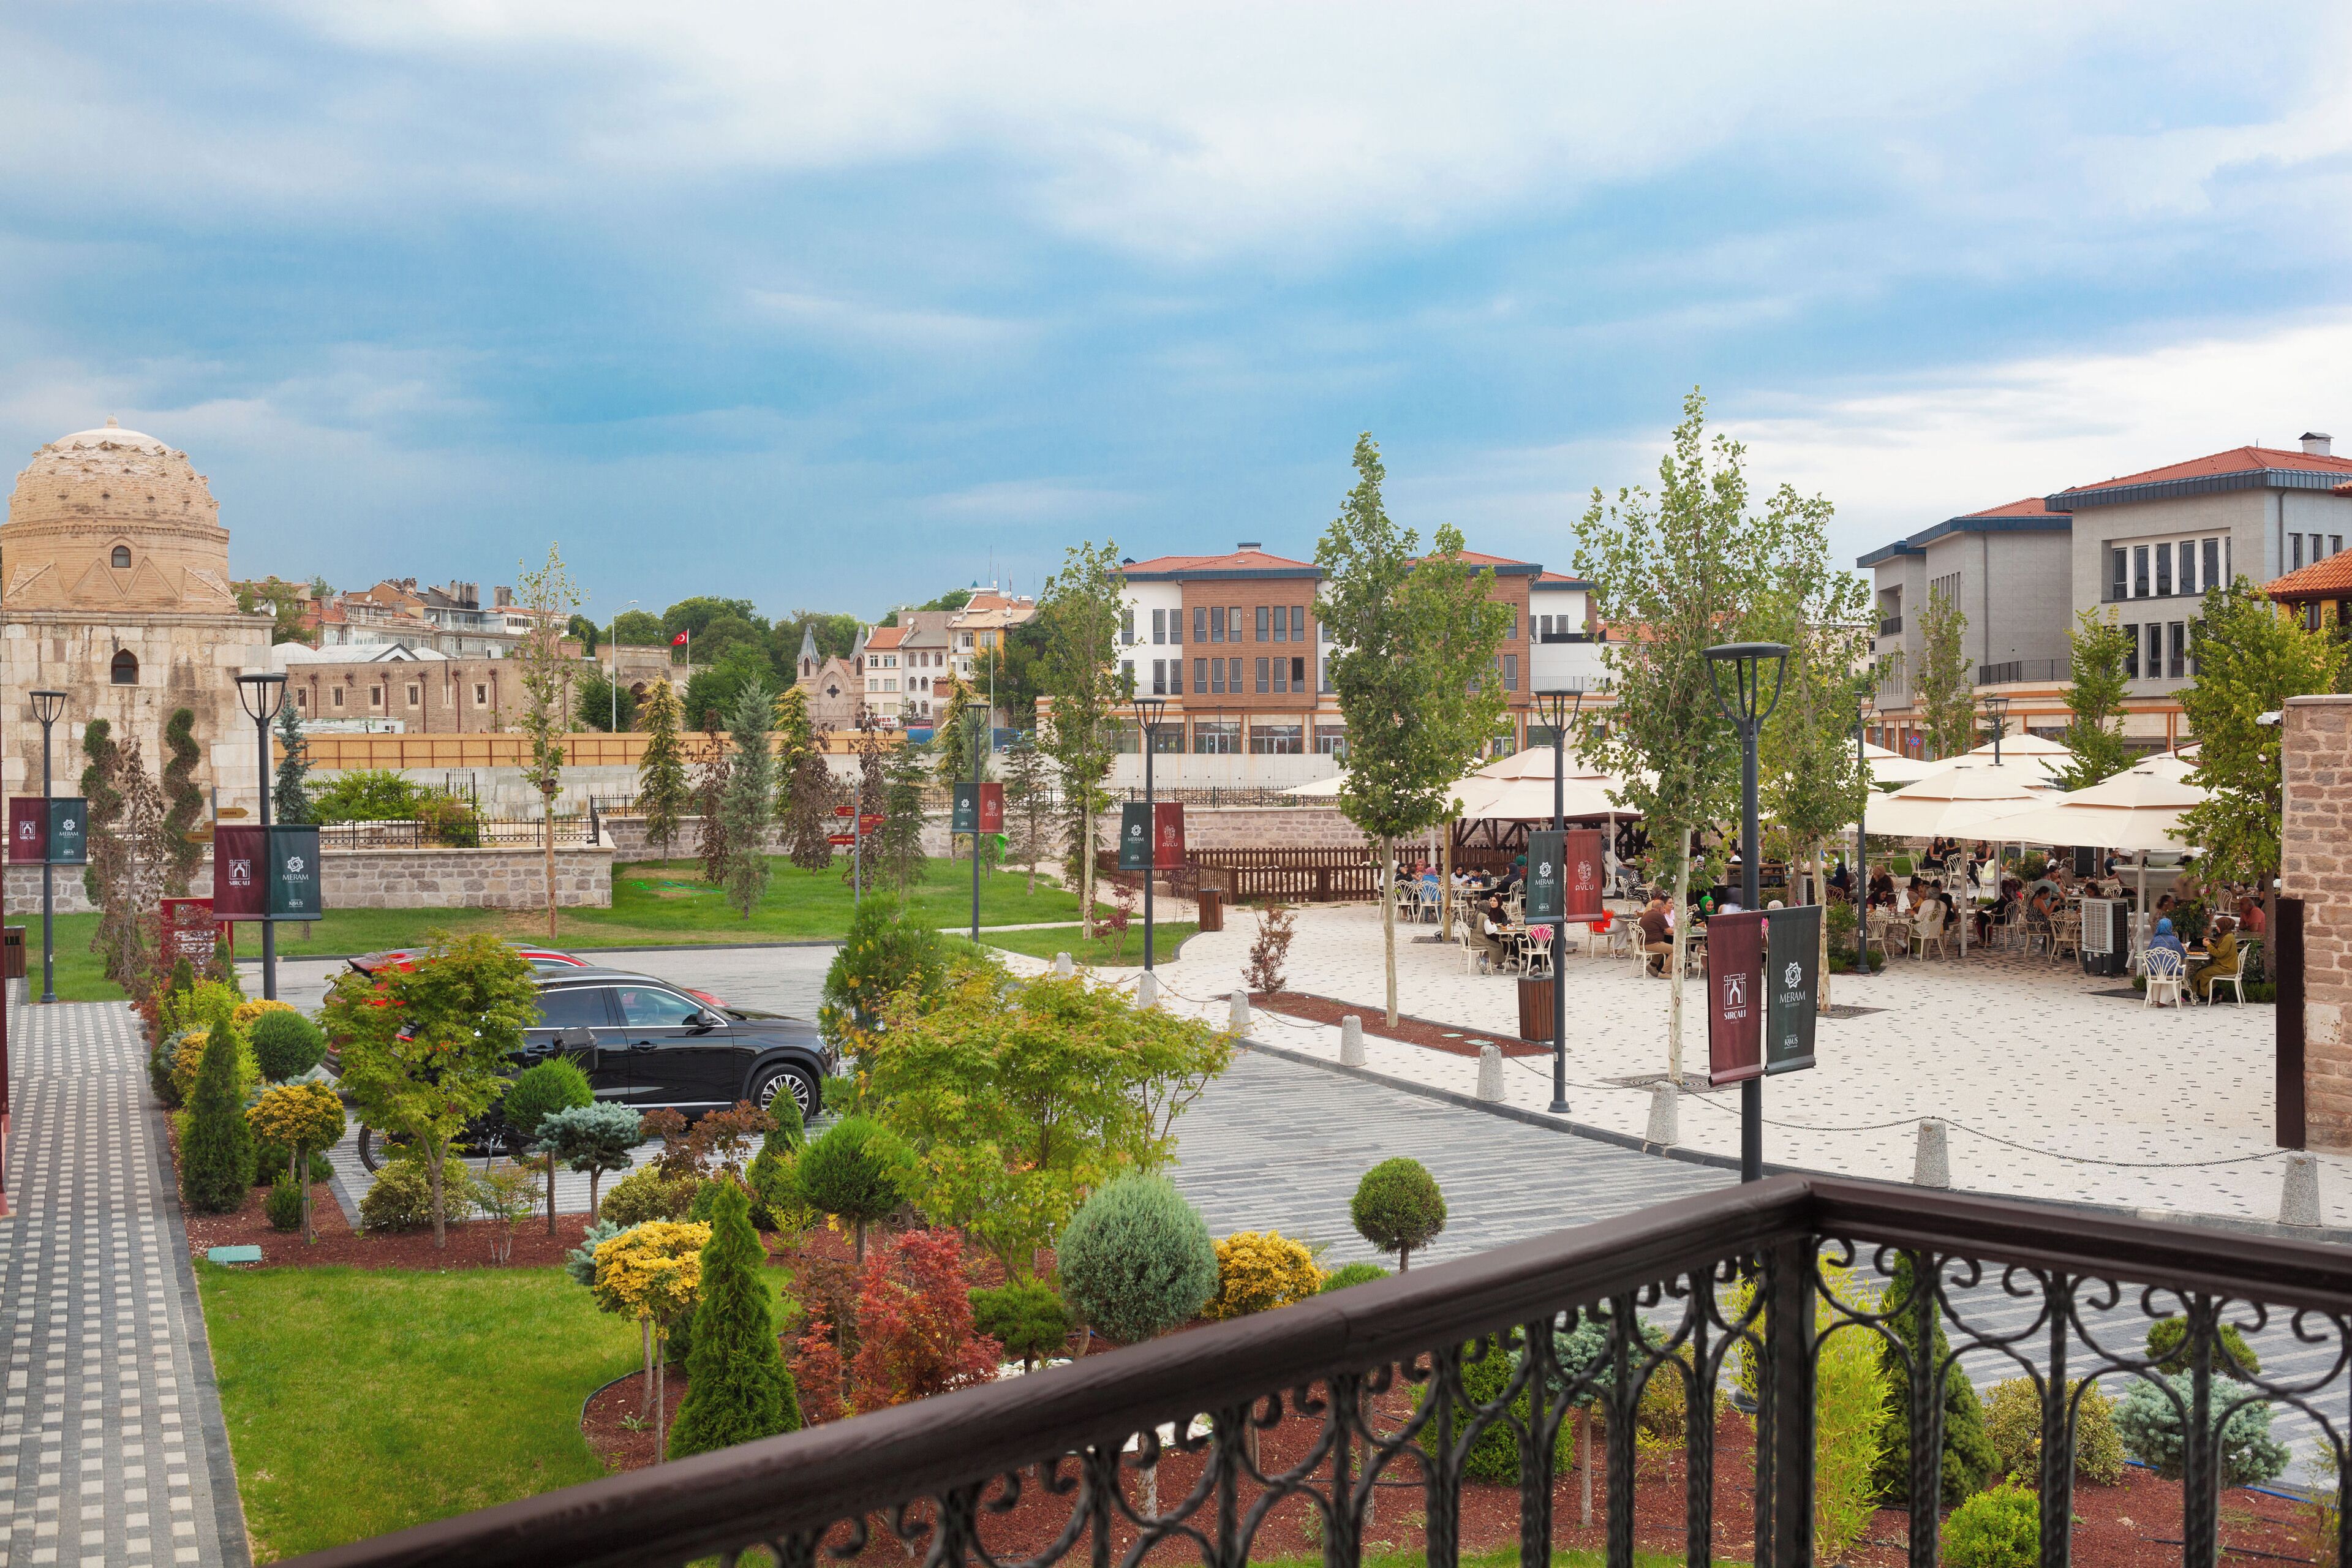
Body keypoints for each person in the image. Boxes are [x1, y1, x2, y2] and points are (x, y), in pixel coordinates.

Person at [2193, 916, 2240, 1001]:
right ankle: (2214, 993)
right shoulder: (2226, 936)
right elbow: (2220, 949)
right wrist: (2210, 943)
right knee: (2201, 971)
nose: (2217, 928)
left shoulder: (2228, 938)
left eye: (2218, 926)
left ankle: (2210, 995)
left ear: (2223, 926)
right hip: (2225, 965)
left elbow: (2219, 954)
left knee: (2202, 973)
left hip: (2226, 967)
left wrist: (2208, 945)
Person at [2146, 916, 2188, 1003]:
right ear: (2170, 928)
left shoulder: (2154, 940)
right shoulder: (2174, 940)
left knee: (2162, 969)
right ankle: (2165, 1000)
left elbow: (2148, 954)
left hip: (2154, 971)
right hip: (2170, 972)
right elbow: (2182, 955)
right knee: (2173, 969)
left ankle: (2156, 999)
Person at [1639, 894, 1673, 977]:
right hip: (1651, 943)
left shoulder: (1647, 913)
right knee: (1675, 950)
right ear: (1661, 908)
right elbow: (1669, 931)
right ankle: (1664, 972)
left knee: (1664, 946)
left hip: (1644, 942)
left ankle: (1653, 965)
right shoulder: (1659, 915)